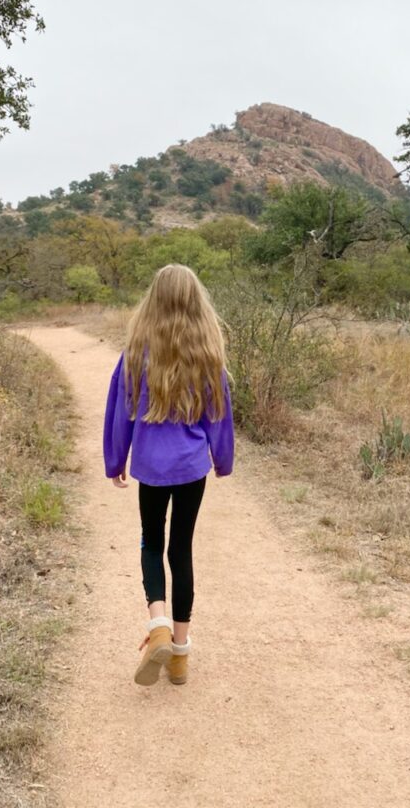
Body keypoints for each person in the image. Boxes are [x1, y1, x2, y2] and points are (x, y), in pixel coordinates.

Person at [102, 263, 234, 687]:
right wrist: (222, 458)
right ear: (197, 302)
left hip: (151, 468)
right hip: (191, 468)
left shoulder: (136, 354)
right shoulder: (208, 355)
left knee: (150, 542)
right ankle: (179, 654)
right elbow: (220, 417)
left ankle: (156, 624)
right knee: (182, 551)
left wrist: (115, 460)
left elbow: (119, 413)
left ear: (153, 300)